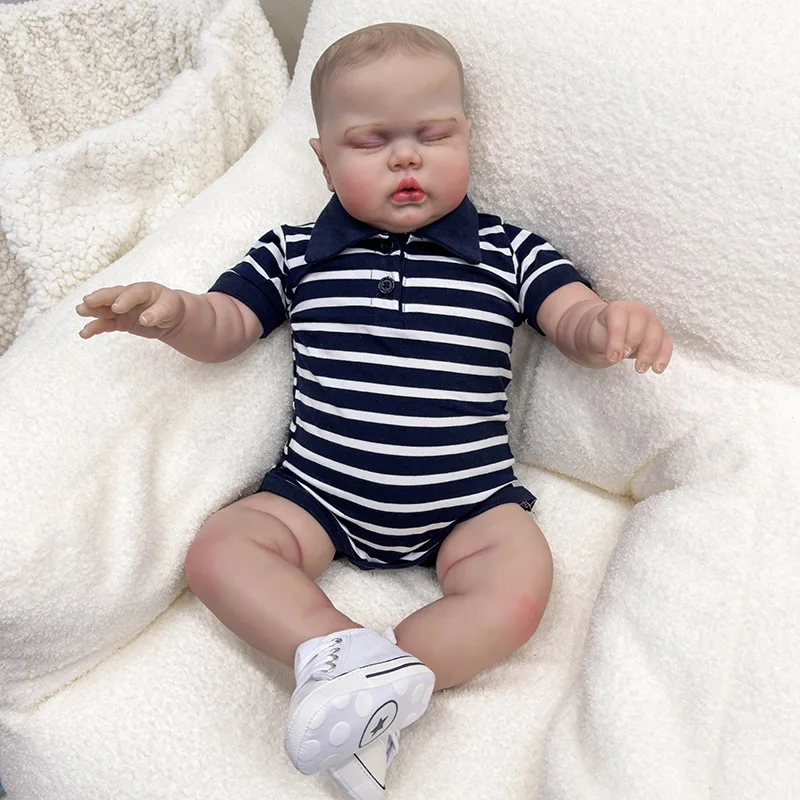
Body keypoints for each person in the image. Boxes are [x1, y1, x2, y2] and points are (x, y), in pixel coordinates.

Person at [76, 22, 673, 799]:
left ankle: (380, 691)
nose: (406, 158)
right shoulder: (293, 251)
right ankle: (341, 657)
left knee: (521, 589)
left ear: (467, 136)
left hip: (471, 504)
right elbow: (225, 327)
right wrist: (174, 313)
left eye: (433, 135)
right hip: (317, 494)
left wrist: (609, 325)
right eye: (371, 142)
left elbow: (573, 322)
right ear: (324, 159)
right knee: (221, 551)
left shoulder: (510, 251)